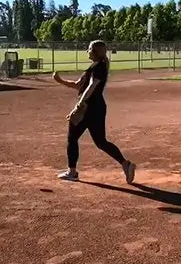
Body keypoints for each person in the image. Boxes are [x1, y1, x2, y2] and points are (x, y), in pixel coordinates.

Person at [52, 39, 136, 184]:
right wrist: (60, 81)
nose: (87, 51)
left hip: (89, 108)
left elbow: (92, 86)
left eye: (89, 48)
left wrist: (79, 105)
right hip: (96, 108)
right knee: (101, 142)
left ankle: (72, 172)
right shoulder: (95, 66)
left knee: (72, 137)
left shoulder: (99, 67)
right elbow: (78, 85)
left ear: (95, 51)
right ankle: (125, 164)